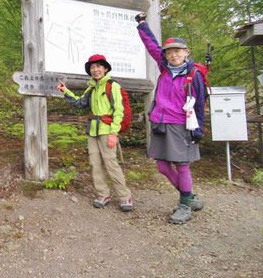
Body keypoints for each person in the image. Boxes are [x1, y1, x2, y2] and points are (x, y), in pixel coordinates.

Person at [135, 13, 205, 224]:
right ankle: (189, 196)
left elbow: (200, 103)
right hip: (160, 123)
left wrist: (198, 130)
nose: (173, 55)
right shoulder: (164, 68)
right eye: (170, 52)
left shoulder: (194, 75)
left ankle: (184, 206)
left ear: (186, 52)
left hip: (182, 125)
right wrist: (142, 25)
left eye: (177, 51)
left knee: (182, 166)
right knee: (162, 167)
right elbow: (152, 45)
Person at [57, 54, 133, 212]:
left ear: (105, 69)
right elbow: (79, 103)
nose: (95, 69)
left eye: (99, 66)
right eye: (92, 67)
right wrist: (66, 91)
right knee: (95, 164)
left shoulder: (113, 86)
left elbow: (119, 111)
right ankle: (103, 194)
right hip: (93, 131)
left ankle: (125, 196)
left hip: (107, 130)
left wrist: (114, 133)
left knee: (111, 163)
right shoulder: (91, 88)